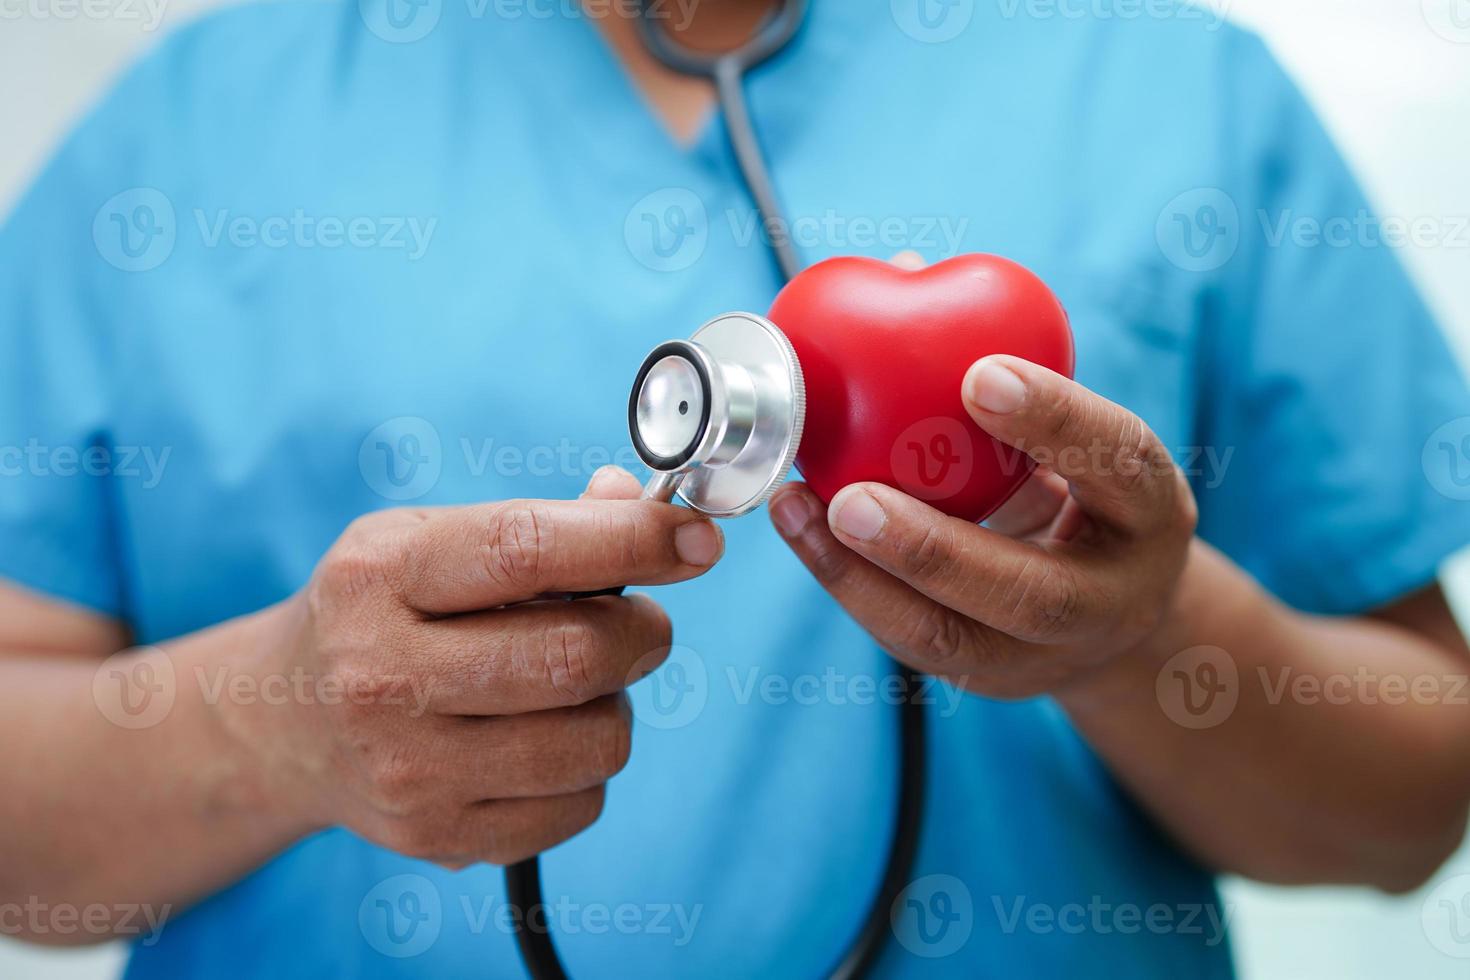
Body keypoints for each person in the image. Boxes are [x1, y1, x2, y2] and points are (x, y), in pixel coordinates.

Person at [2, 1, 1468, 977]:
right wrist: (278, 725)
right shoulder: (195, 128)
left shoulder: (1167, 87)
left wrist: (1143, 638)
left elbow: (1413, 807)